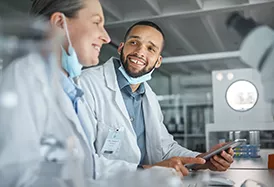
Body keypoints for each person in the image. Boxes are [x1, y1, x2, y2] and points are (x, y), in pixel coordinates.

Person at [80, 21, 235, 178]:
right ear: (121, 47)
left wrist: (201, 160)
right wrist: (148, 170)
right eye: (134, 42)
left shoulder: (150, 97)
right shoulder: (87, 84)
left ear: (158, 61)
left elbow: (165, 148)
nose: (140, 52)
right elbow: (80, 159)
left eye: (150, 48)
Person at [0, 0, 110, 186]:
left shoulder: (69, 89)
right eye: (96, 22)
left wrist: (145, 173)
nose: (106, 37)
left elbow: (87, 165)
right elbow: (17, 177)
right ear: (60, 23)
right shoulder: (23, 77)